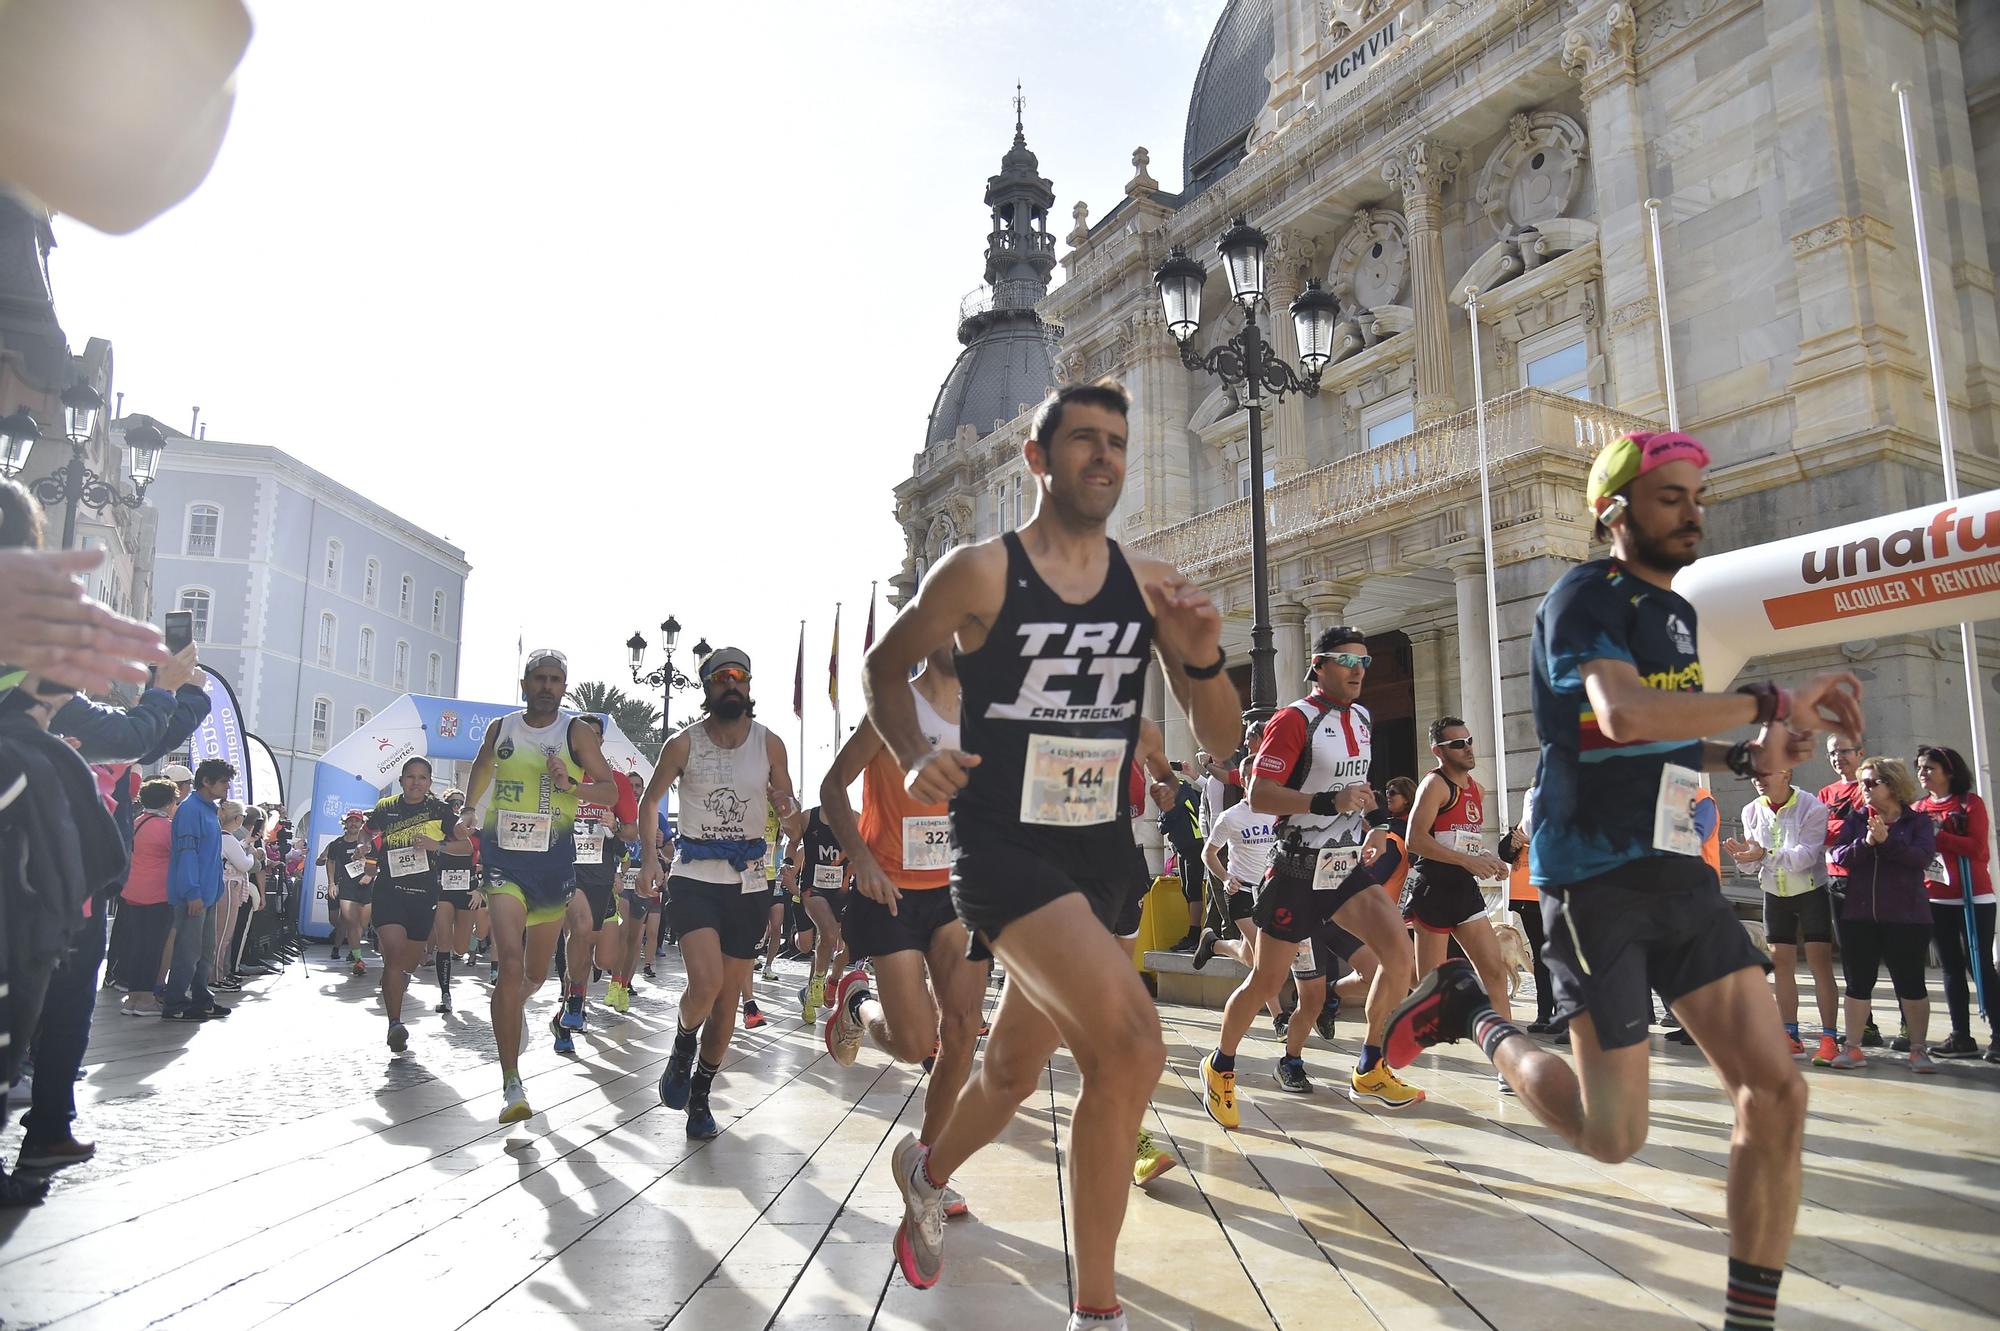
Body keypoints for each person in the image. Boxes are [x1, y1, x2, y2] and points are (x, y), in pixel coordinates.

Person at [1379, 429, 1864, 1331]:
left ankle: (1746, 1319)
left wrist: (1747, 753)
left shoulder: (1675, 611)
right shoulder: (1581, 596)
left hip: (1679, 872)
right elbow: (1623, 712)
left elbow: (1664, 735)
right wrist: (1765, 702)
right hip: (1592, 876)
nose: (1693, 511)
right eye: (1671, 496)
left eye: (1695, 496)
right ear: (1615, 511)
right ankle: (1467, 1010)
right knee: (1615, 1136)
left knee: (1777, 1091)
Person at [863, 380, 1241, 1329]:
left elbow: (1224, 740)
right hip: (1003, 852)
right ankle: (1097, 1309)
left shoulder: (1150, 582)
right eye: (1083, 440)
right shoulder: (978, 572)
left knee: (1009, 1071)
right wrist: (916, 753)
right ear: (1038, 460)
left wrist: (1200, 659)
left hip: (1102, 858)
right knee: (1132, 1049)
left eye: (1117, 440)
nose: (1105, 455)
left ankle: (927, 1167)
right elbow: (883, 666)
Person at [1201, 626, 1426, 1121]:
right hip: (1298, 868)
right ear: (1319, 665)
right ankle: (1220, 1065)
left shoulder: (1363, 717)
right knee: (1266, 981)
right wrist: (1327, 802)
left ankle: (1369, 1067)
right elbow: (1260, 794)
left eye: (1365, 664)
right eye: (1347, 662)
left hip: (1343, 866)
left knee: (1398, 955)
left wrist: (1373, 823)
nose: (1357, 672)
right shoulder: (1293, 719)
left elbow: (1357, 785)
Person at [819, 644, 990, 1209]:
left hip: (957, 893)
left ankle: (928, 1170)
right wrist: (861, 862)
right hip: (889, 889)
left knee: (962, 1030)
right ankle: (858, 1002)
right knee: (917, 1041)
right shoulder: (892, 711)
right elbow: (832, 786)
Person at [638, 646, 804, 1141]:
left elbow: (793, 819)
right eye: (721, 677)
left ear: (749, 686)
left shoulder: (770, 744)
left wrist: (787, 809)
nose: (732, 684)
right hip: (694, 876)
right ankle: (682, 1043)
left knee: (728, 1001)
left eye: (740, 677)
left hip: (750, 882)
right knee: (706, 984)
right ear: (707, 687)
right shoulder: (683, 744)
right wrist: (650, 858)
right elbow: (650, 802)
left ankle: (701, 1096)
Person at [462, 647, 623, 1124]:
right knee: (509, 966)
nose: (547, 686)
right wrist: (470, 810)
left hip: (552, 865)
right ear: (525, 683)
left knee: (533, 975)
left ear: (564, 687)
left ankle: (520, 1006)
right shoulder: (503, 729)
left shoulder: (574, 733)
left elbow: (611, 790)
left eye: (556, 679)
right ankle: (511, 1082)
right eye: (540, 678)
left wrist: (571, 787)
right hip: (502, 859)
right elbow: (482, 767)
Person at [1401, 715, 1517, 1088]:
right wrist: (1470, 860)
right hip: (1433, 887)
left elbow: (1462, 839)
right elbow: (1415, 840)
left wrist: (1489, 859)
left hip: (1463, 890)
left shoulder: (1477, 790)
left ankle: (1506, 1060)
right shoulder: (1434, 785)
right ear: (1438, 751)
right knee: (1427, 984)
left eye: (1468, 740)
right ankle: (1362, 1008)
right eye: (1457, 744)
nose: (1468, 748)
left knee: (1495, 972)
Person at [1823, 756, 1938, 1074]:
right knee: (1858, 983)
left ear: (1893, 785)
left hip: (1906, 916)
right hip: (1860, 915)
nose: (1865, 788)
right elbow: (1839, 855)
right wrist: (1868, 841)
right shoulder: (1858, 819)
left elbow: (1921, 858)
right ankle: (1853, 1048)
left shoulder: (1917, 822)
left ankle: (1918, 1050)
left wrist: (1887, 845)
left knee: (1911, 984)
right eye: (1863, 783)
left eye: (1872, 782)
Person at [1723, 766, 1837, 1060]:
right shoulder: (1751, 810)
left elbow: (1806, 856)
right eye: (1754, 775)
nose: (1758, 780)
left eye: (1765, 774)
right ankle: (1789, 1034)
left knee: (1819, 965)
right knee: (1781, 964)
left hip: (1811, 891)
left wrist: (1763, 855)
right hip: (1774, 893)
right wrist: (1742, 857)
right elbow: (1752, 865)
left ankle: (1829, 1037)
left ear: (1785, 773)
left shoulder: (1812, 806)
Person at [366, 757, 468, 1053]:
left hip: (423, 895)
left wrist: (439, 846)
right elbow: (368, 832)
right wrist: (366, 847)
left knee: (409, 962)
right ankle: (394, 1023)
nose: (416, 783)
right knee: (394, 956)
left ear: (430, 781)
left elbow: (466, 847)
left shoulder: (439, 810)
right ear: (401, 781)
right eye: (410, 777)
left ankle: (398, 986)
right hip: (389, 891)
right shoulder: (386, 807)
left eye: (422, 778)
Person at [1912, 744, 2000, 1062]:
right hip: (1936, 896)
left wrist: (1941, 836)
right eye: (1920, 768)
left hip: (1974, 896)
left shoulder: (1968, 804)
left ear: (1948, 771)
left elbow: (1978, 850)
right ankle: (1960, 1035)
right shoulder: (1918, 808)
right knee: (1950, 967)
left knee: (1981, 966)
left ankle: (1999, 1035)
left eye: (1929, 767)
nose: (1922, 773)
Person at [556, 714, 639, 1050]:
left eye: (595, 735)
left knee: (601, 957)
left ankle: (569, 1005)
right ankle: (572, 1003)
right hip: (565, 873)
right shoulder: (560, 775)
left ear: (601, 742)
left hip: (601, 877)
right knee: (580, 928)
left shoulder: (615, 781)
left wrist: (615, 825)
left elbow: (632, 833)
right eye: (583, 735)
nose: (589, 740)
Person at [161, 759, 239, 1022]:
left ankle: (201, 999)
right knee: (188, 951)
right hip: (193, 895)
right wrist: (192, 892)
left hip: (207, 893)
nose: (228, 787)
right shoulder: (192, 810)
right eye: (224, 782)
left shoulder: (206, 809)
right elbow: (187, 854)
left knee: (204, 951)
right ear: (207, 782)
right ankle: (175, 1003)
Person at [1818, 732, 1878, 1048]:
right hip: (1836, 880)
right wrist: (1841, 828)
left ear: (1860, 752)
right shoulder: (1826, 792)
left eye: (1844, 751)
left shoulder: (1870, 786)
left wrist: (1837, 829)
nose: (1838, 757)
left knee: (1886, 954)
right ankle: (1865, 1025)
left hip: (1870, 879)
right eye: (1832, 753)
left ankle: (1910, 1025)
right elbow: (1818, 830)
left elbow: (1862, 824)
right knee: (1852, 957)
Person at [115, 778, 179, 1016]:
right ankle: (146, 999)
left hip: (133, 891)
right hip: (158, 893)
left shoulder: (136, 821)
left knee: (138, 945)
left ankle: (133, 998)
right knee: (154, 947)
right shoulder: (167, 827)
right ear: (169, 802)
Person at [792, 804, 850, 1025]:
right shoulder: (809, 817)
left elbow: (866, 846)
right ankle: (818, 981)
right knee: (828, 932)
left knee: (824, 941)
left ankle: (809, 995)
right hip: (811, 888)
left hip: (838, 890)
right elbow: (793, 842)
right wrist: (789, 864)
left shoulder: (854, 818)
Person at [431, 787, 478, 1014]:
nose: (457, 806)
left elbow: (485, 859)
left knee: (460, 947)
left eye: (461, 803)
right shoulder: (441, 828)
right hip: (442, 888)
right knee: (444, 943)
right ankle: (445, 994)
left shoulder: (476, 833)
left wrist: (481, 889)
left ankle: (473, 944)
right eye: (452, 803)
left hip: (467, 889)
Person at [319, 810, 375, 974]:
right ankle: (358, 959)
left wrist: (369, 874)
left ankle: (353, 948)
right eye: (350, 821)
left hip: (365, 887)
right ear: (345, 823)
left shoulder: (368, 842)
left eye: (357, 821)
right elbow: (330, 862)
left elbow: (376, 862)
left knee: (362, 925)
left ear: (362, 824)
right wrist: (331, 883)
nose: (353, 824)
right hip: (347, 887)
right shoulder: (337, 844)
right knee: (351, 922)